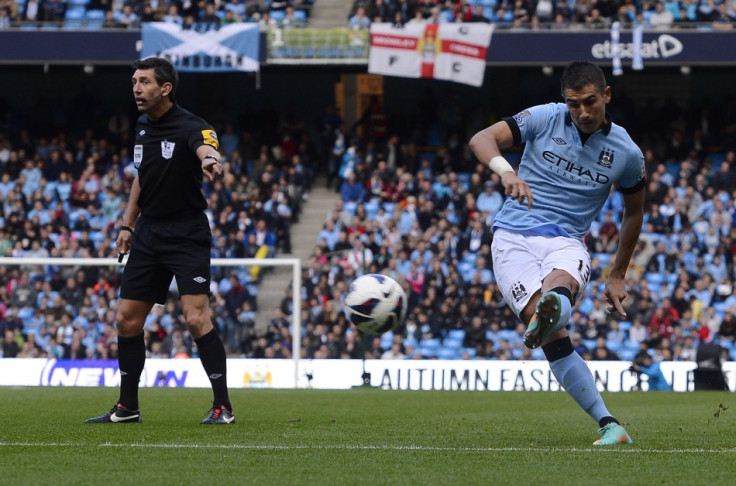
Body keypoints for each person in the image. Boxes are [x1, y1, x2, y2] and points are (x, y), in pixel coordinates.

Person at [469, 61, 645, 446]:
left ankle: (555, 304)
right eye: (573, 104)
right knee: (547, 328)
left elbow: (634, 212)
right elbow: (482, 138)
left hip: (566, 238)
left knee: (557, 290)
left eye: (590, 102)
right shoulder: (545, 117)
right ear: (564, 101)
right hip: (512, 235)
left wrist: (617, 274)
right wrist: (506, 171)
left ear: (606, 96)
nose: (582, 112)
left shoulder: (627, 152)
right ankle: (610, 425)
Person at [86, 57, 234, 425]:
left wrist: (210, 161)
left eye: (145, 82)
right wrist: (127, 225)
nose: (136, 88)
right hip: (149, 232)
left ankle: (222, 407)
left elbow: (206, 147)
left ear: (165, 88)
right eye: (134, 81)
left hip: (186, 233)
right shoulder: (141, 127)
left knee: (196, 319)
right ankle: (127, 407)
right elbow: (142, 176)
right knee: (126, 321)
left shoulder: (192, 126)